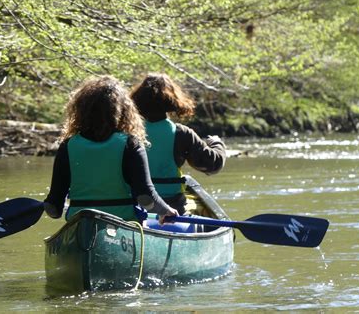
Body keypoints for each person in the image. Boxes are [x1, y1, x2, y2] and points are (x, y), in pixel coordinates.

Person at [43, 76, 178, 224]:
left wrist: (50, 207)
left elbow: (54, 208)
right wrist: (165, 210)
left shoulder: (68, 145)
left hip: (79, 223)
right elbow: (145, 199)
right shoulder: (130, 143)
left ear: (81, 110)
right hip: (123, 224)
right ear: (123, 111)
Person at [130, 72, 226, 215]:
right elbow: (212, 165)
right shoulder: (182, 133)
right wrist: (217, 143)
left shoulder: (127, 132)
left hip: (135, 205)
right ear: (171, 100)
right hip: (172, 206)